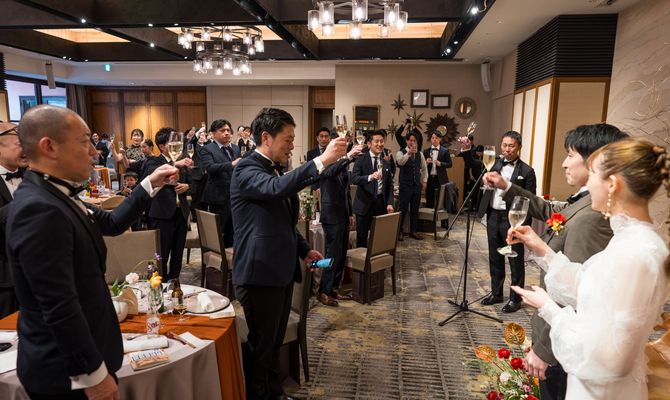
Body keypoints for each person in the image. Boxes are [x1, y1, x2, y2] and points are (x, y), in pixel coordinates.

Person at [7, 105, 177, 399]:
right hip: (66, 374)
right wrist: (94, 376)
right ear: (49, 147)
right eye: (85, 141)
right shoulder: (38, 208)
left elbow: (112, 223)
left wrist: (150, 183)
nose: (94, 153)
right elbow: (58, 306)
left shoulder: (55, 194)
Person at [510, 137, 670, 399]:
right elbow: (594, 289)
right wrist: (542, 250)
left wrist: (551, 310)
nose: (588, 183)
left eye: (593, 174)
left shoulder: (639, 252)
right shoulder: (629, 239)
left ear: (612, 184)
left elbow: (609, 360)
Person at [483, 123, 628, 399]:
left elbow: (575, 294)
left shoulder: (592, 219)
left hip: (563, 344)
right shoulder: (586, 202)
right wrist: (506, 186)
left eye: (570, 155)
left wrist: (544, 351)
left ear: (595, 161)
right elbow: (551, 210)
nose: (564, 163)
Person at [231, 108, 346, 399]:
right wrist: (322, 160)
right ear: (266, 138)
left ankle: (275, 393)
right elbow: (275, 189)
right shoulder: (246, 169)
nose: (292, 145)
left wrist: (304, 250)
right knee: (261, 347)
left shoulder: (272, 168)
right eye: (288, 139)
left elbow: (282, 222)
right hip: (258, 273)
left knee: (274, 343)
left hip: (278, 270)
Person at [476, 131, 536, 313]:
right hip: (493, 215)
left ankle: (515, 299)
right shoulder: (493, 165)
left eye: (511, 146)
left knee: (514, 258)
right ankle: (496, 293)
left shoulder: (527, 171)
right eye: (504, 145)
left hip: (513, 219)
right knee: (495, 256)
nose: (507, 149)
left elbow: (529, 200)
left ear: (519, 147)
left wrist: (521, 225)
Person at [317, 143, 365, 306]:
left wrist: (350, 212)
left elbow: (346, 191)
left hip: (343, 215)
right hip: (331, 216)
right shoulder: (325, 163)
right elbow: (331, 172)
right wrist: (348, 157)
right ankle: (323, 291)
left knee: (341, 254)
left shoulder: (342, 166)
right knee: (332, 254)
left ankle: (334, 288)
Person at [143, 128, 193, 280]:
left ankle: (175, 283)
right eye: (173, 143)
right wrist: (175, 163)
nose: (178, 146)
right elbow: (152, 174)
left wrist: (187, 186)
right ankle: (161, 284)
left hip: (181, 212)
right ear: (162, 146)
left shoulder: (183, 162)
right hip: (162, 214)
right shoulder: (154, 161)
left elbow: (195, 182)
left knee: (178, 253)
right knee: (161, 254)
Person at [0, 121, 28, 319]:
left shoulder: (32, 175)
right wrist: (27, 199)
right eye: (19, 141)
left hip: (38, 274)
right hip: (5, 280)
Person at [199, 119, 240, 248]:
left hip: (235, 197)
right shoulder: (207, 149)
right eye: (222, 130)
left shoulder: (235, 148)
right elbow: (210, 168)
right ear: (213, 133)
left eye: (228, 130)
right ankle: (217, 259)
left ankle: (231, 258)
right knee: (217, 233)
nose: (226, 133)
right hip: (217, 197)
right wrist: (232, 164)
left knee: (233, 232)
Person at [351, 130, 395, 248]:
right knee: (362, 239)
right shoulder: (361, 159)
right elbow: (354, 179)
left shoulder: (385, 162)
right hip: (364, 204)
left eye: (382, 141)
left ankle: (376, 259)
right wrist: (370, 177)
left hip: (380, 204)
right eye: (377, 141)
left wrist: (390, 203)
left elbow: (389, 185)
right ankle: (361, 259)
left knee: (379, 238)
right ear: (369, 144)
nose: (380, 144)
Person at [396, 130, 428, 241]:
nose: (412, 142)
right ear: (406, 141)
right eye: (410, 140)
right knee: (403, 209)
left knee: (415, 210)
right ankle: (399, 232)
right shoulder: (400, 153)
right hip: (405, 186)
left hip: (416, 186)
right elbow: (400, 162)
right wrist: (409, 153)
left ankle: (413, 231)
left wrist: (424, 181)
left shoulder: (420, 154)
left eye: (414, 141)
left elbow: (424, 168)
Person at [424, 130, 453, 209]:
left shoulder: (445, 151)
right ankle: (429, 216)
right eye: (432, 138)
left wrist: (440, 164)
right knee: (429, 198)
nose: (434, 140)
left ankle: (440, 216)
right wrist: (426, 162)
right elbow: (422, 166)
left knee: (440, 200)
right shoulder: (426, 151)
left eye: (436, 138)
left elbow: (450, 164)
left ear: (440, 139)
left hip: (440, 178)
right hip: (429, 178)